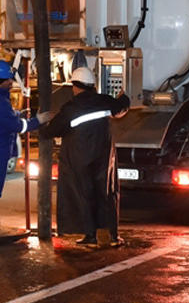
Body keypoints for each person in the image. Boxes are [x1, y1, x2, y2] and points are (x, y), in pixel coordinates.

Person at [37, 66, 130, 247]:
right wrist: (124, 96)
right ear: (92, 85)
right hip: (103, 158)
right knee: (106, 192)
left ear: (75, 86)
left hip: (79, 158)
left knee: (83, 195)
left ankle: (90, 235)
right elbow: (121, 107)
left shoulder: (71, 108)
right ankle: (112, 235)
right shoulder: (105, 101)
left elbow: (52, 131)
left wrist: (39, 126)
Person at [0, 60, 54, 228]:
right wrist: (37, 121)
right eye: (8, 80)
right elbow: (18, 126)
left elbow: (3, 116)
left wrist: (17, 113)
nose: (11, 83)